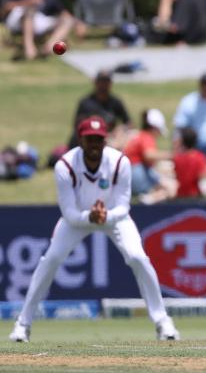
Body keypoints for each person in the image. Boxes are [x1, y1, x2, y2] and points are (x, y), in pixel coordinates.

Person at [9, 116, 179, 342]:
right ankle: (23, 324)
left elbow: (123, 206)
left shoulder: (120, 163)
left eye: (99, 140)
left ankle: (162, 322)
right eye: (90, 140)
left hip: (114, 218)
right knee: (51, 259)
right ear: (81, 140)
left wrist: (105, 215)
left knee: (138, 257)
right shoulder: (65, 166)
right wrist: (89, 216)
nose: (95, 145)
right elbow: (68, 213)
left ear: (105, 140)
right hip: (77, 218)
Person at [1, 0, 84, 61]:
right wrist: (28, 2)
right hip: (18, 21)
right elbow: (4, 9)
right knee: (30, 11)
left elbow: (64, 13)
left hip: (39, 22)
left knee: (68, 20)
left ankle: (47, 49)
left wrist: (78, 23)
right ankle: (30, 51)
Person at [68, 70, 131, 150]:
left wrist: (120, 130)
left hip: (110, 137)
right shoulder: (86, 102)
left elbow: (128, 122)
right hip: (90, 136)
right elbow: (77, 125)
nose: (104, 85)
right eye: (101, 81)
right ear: (95, 82)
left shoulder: (115, 102)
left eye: (106, 81)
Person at [123, 109, 174, 203]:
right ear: (154, 128)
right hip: (137, 173)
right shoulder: (146, 137)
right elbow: (149, 155)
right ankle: (148, 199)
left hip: (130, 173)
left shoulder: (139, 136)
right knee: (170, 188)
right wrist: (172, 155)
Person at [173, 127, 206, 198]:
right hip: (195, 195)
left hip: (180, 195)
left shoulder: (177, 158)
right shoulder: (200, 157)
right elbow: (202, 176)